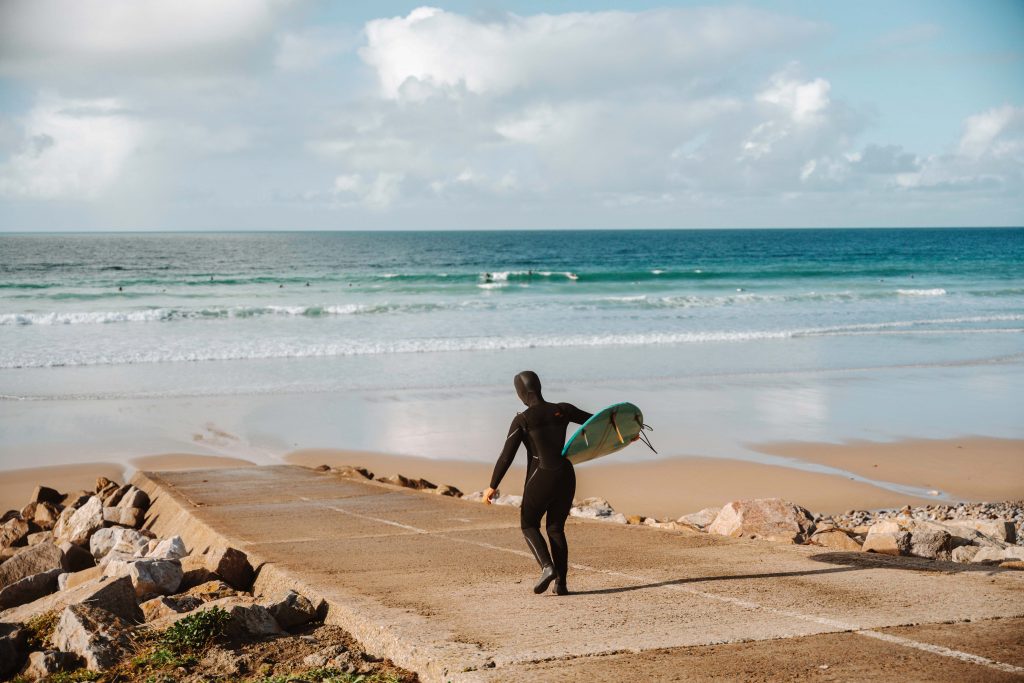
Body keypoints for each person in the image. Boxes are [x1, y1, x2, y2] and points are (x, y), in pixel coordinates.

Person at [483, 371, 591, 595]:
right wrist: (628, 431)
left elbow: (506, 456)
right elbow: (597, 421)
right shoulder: (563, 409)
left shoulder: (522, 419)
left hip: (542, 475)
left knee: (529, 524)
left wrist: (492, 485)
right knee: (555, 528)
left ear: (521, 393)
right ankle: (561, 584)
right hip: (566, 474)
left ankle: (547, 566)